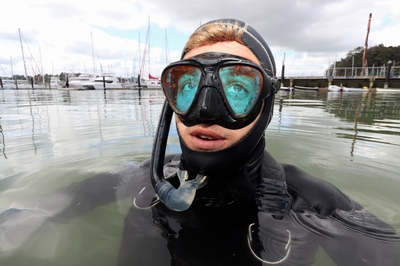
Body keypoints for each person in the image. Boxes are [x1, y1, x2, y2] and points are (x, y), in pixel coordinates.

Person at [1, 19, 399, 265]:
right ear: (170, 99)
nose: (206, 110)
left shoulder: (313, 205)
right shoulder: (144, 178)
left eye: (238, 87)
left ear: (267, 102)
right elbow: (42, 210)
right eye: (188, 86)